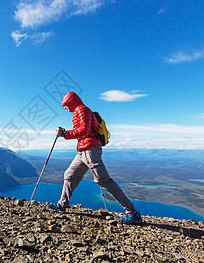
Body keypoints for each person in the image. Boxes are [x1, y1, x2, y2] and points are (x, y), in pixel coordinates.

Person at [46, 91, 142, 225]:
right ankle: (62, 205)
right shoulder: (79, 111)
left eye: (65, 105)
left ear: (71, 102)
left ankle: (132, 213)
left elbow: (84, 130)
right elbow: (84, 130)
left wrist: (64, 133)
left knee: (103, 181)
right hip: (83, 150)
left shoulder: (82, 110)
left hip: (90, 150)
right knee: (69, 174)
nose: (65, 108)